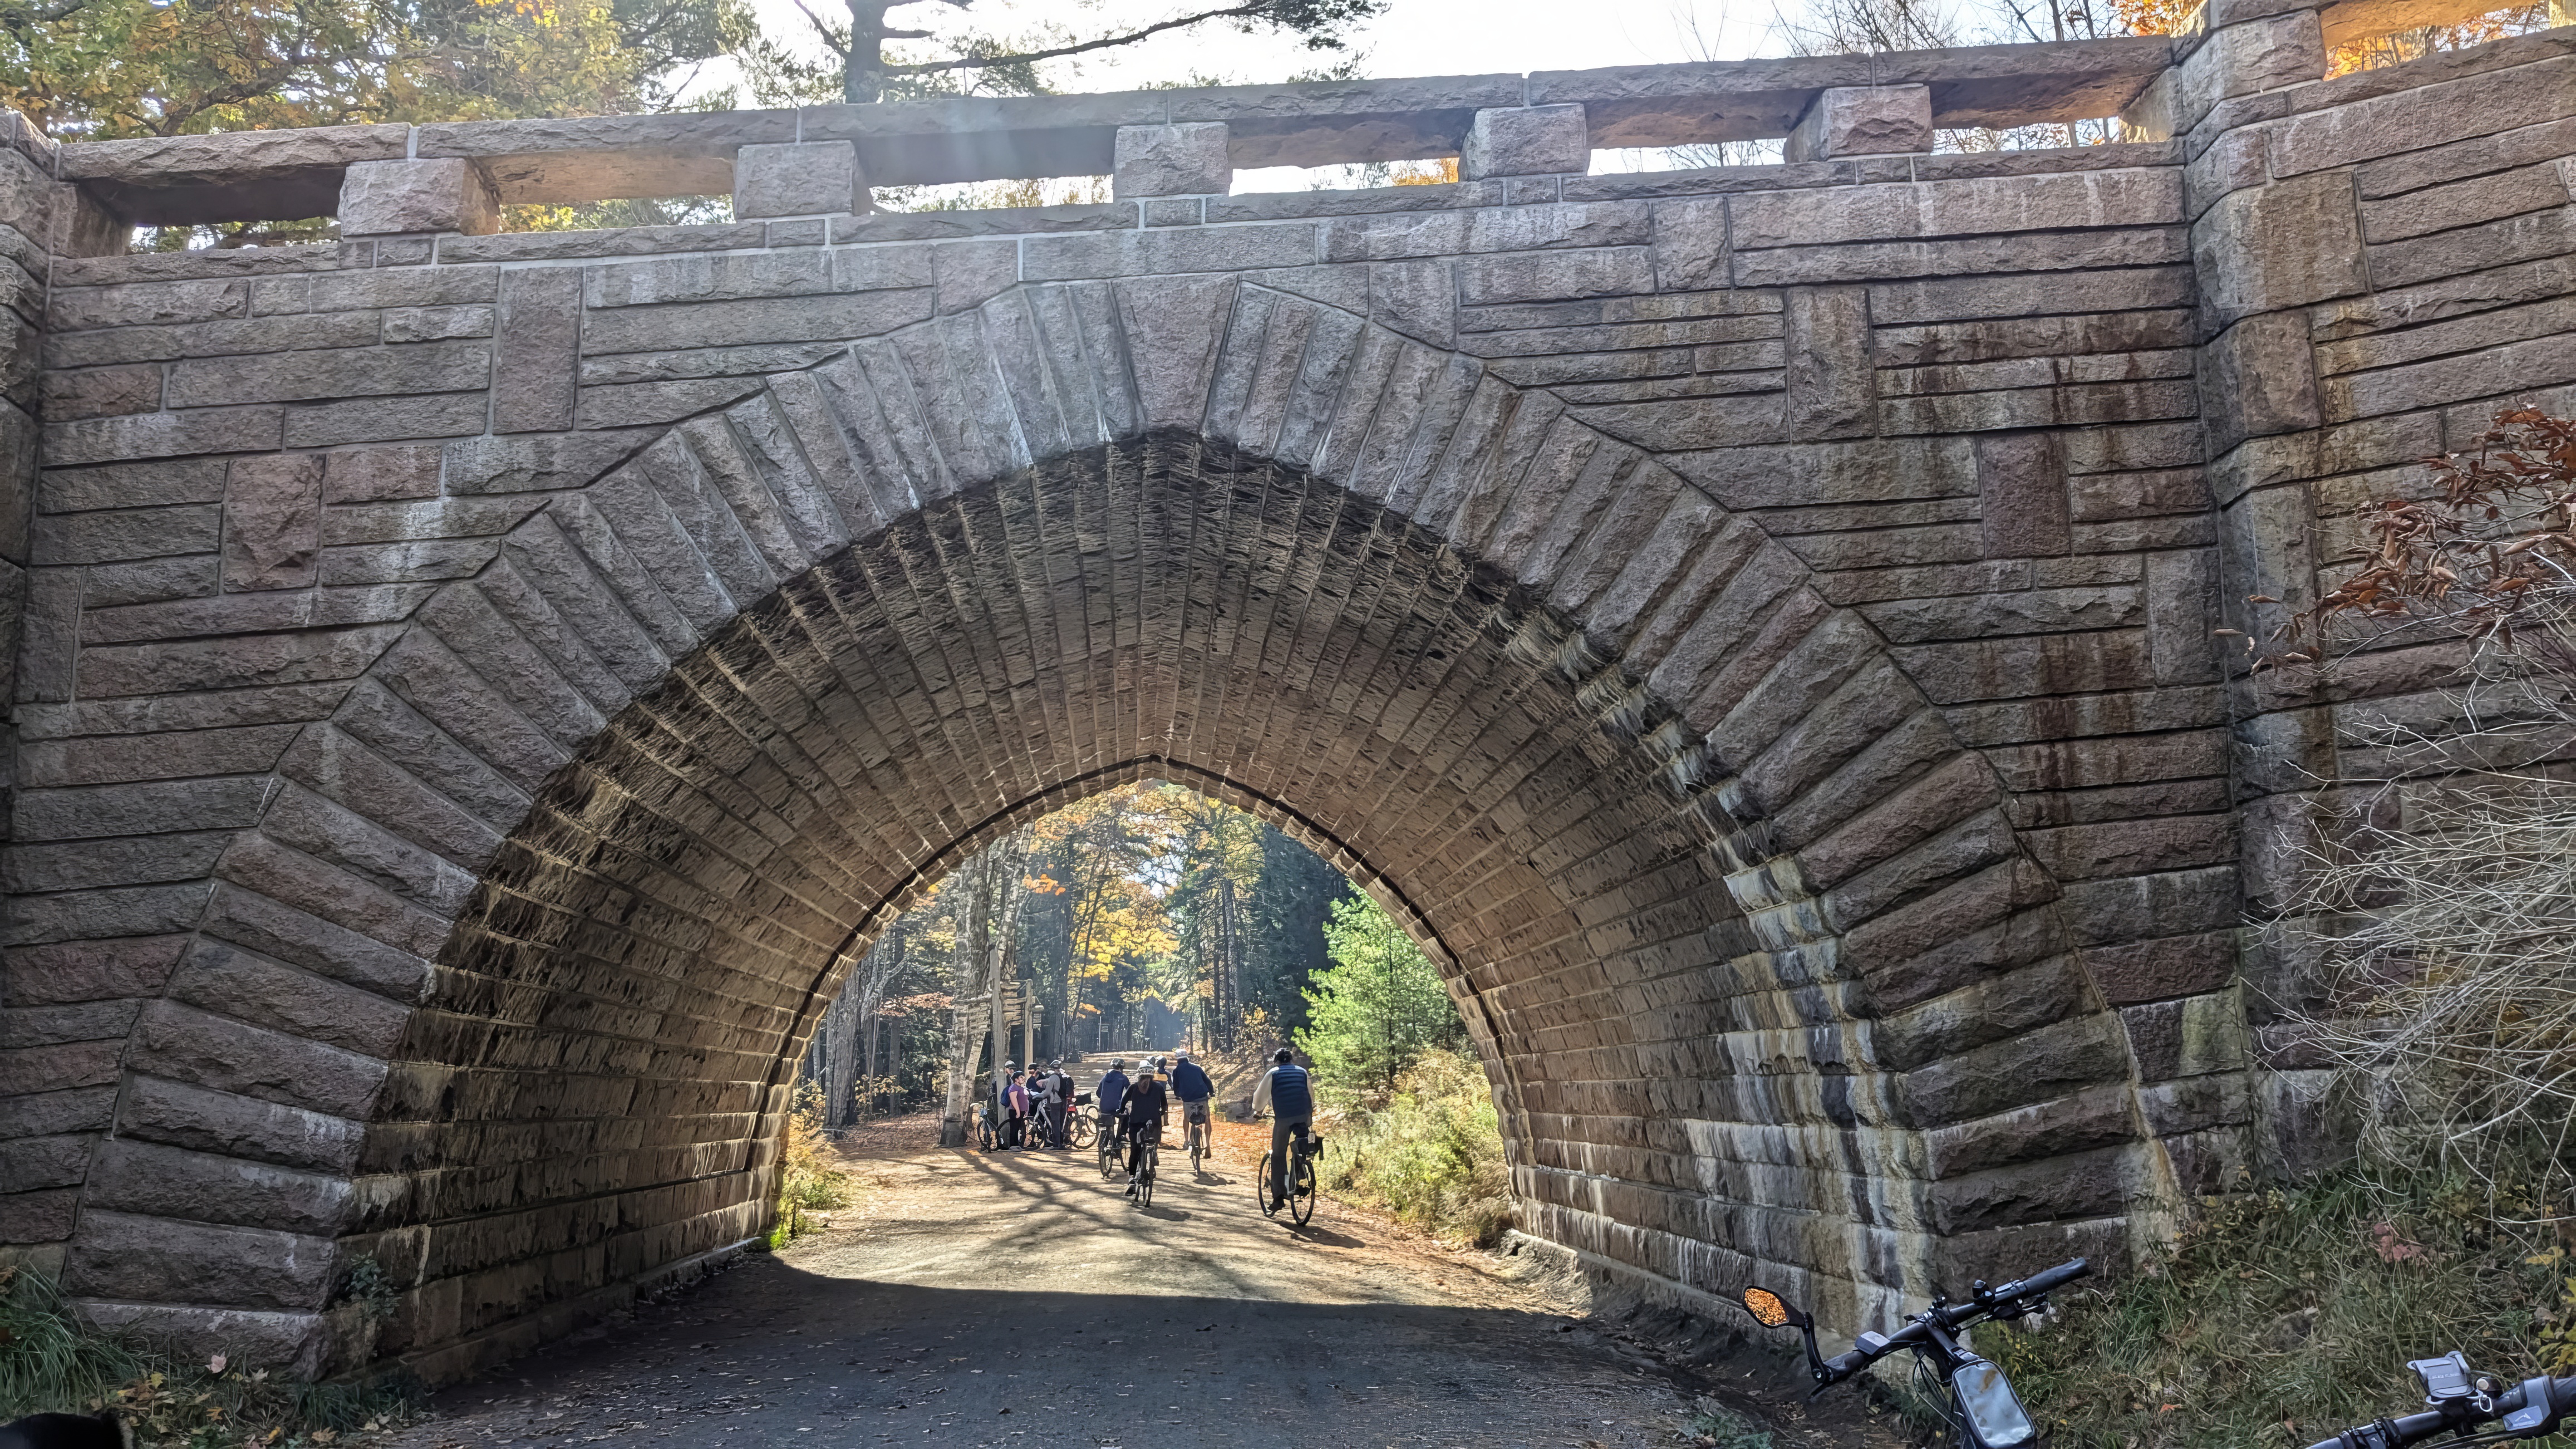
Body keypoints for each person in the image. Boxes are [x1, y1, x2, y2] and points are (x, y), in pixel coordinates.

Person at [1251, 1048, 1314, 1211]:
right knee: (1300, 1148)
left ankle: (1278, 1198)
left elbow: (1260, 1099)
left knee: (1278, 1155)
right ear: (1291, 1060)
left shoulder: (1274, 1073)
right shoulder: (1302, 1072)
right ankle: (1300, 1177)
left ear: (1276, 1061)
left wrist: (1258, 1111)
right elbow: (1310, 1096)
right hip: (1303, 1116)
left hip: (1284, 1117)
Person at [1120, 1059, 1169, 1197]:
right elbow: (1165, 1106)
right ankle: (1154, 1153)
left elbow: (1123, 1103)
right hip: (1153, 1123)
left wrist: (1122, 1112)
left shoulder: (1134, 1088)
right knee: (1153, 1140)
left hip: (1136, 1124)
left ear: (1139, 1075)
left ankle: (1131, 1181)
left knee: (1135, 1151)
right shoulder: (1159, 1087)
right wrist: (1162, 1115)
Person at [1169, 1048, 1215, 1162]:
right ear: (1187, 1057)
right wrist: (1212, 1093)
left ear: (1177, 1060)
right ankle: (1208, 1147)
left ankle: (1186, 1141)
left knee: (1186, 1118)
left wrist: (1178, 1095)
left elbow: (1176, 1086)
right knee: (1207, 1120)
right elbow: (1208, 1081)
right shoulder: (1197, 1068)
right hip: (1202, 1097)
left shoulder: (1177, 1071)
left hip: (1187, 1099)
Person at [1094, 1058, 1130, 1153]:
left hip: (1103, 1108)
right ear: (1122, 1068)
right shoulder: (1123, 1078)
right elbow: (1130, 1093)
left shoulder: (1105, 1077)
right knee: (1126, 1115)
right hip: (1116, 1108)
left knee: (1106, 1123)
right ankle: (1120, 1137)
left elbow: (1098, 1093)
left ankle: (1107, 1138)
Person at [1003, 1068, 1029, 1150]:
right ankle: (1013, 1146)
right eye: (1021, 1077)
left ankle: (1018, 1145)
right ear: (1016, 1079)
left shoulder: (1021, 1087)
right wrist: (1018, 1111)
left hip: (1022, 1111)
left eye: (1024, 1077)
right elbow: (1014, 1100)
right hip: (1015, 1111)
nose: (1023, 1079)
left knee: (1019, 1128)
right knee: (1014, 1129)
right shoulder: (1013, 1087)